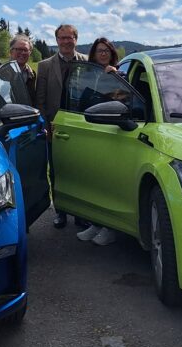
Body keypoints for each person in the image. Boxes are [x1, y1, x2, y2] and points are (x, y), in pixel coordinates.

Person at [34, 24, 87, 229]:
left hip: (82, 129)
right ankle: (61, 211)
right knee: (57, 171)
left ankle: (81, 212)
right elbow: (40, 101)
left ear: (76, 39)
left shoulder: (87, 62)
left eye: (70, 37)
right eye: (62, 38)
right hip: (57, 130)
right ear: (56, 40)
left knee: (81, 171)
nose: (66, 41)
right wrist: (46, 127)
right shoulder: (45, 66)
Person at [75, 36, 121, 246]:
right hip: (90, 131)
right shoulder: (88, 74)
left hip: (111, 132)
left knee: (108, 182)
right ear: (93, 54)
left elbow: (124, 100)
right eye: (99, 50)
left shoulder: (119, 74)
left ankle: (110, 228)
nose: (102, 53)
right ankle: (95, 223)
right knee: (92, 179)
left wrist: (117, 77)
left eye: (106, 50)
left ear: (112, 53)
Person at [8, 34, 37, 105]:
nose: (23, 53)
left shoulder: (32, 74)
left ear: (29, 53)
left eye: (26, 50)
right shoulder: (2, 72)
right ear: (11, 51)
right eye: (19, 49)